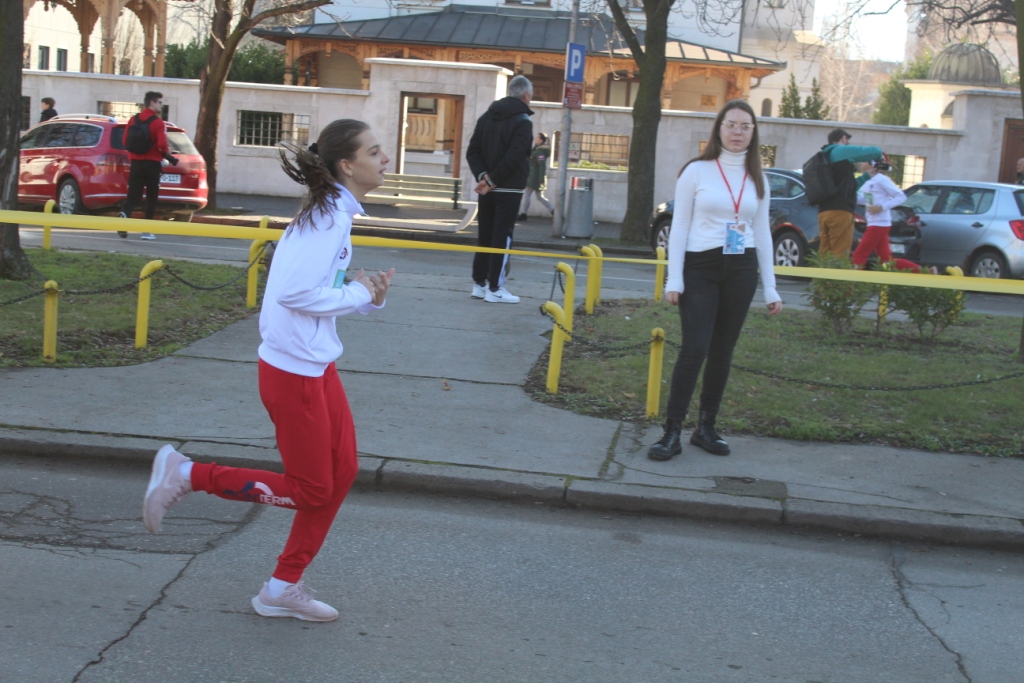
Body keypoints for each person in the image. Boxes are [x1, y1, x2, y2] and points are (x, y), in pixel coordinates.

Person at [141, 118, 396, 622]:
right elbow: (295, 294)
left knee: (342, 472)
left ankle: (282, 587)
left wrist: (366, 298)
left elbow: (315, 293)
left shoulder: (333, 213)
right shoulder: (327, 219)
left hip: (314, 366)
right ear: (348, 165)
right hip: (294, 374)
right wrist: (357, 293)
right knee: (312, 489)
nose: (384, 158)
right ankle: (188, 474)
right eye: (375, 151)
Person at [648, 100, 783, 462]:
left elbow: (762, 232)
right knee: (695, 348)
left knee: (723, 351)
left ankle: (706, 427)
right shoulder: (696, 171)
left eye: (745, 126)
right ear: (719, 128)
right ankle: (671, 431)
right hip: (701, 267)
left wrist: (771, 286)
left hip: (741, 268)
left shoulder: (758, 178)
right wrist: (674, 279)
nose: (738, 132)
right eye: (731, 124)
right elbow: (679, 226)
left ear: (754, 133)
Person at [467, 75, 534, 304]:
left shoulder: (486, 117)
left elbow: (473, 151)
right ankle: (495, 287)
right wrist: (493, 179)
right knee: (502, 237)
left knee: (485, 235)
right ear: (526, 96)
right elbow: (515, 156)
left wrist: (483, 177)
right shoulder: (523, 121)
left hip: (487, 187)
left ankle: (480, 283)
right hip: (509, 188)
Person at [852, 159, 938, 274]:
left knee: (859, 255)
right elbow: (866, 200)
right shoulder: (869, 181)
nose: (861, 164)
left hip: (878, 224)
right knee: (886, 261)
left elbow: (901, 196)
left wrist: (882, 207)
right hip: (876, 223)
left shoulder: (881, 179)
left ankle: (851, 283)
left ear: (873, 165)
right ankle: (926, 271)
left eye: (864, 162)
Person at [815, 128, 883, 257]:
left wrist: (867, 176)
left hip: (824, 212)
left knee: (824, 254)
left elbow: (848, 187)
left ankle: (821, 271)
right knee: (839, 253)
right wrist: (880, 157)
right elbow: (875, 152)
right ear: (844, 139)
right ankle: (836, 271)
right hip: (840, 212)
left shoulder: (825, 157)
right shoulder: (840, 150)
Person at [118, 91, 176, 240]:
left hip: (136, 163)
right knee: (151, 196)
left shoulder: (133, 120)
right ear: (152, 103)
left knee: (133, 195)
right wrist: (166, 151)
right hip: (152, 164)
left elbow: (125, 141)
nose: (162, 106)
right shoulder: (158, 123)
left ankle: (124, 215)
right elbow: (162, 144)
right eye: (160, 103)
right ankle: (146, 231)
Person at [517, 132, 554, 221]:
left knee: (527, 194)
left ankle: (524, 214)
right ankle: (553, 211)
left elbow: (542, 166)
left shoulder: (540, 152)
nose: (535, 139)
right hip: (534, 176)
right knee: (539, 197)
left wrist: (541, 179)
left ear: (541, 140)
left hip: (534, 177)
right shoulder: (537, 149)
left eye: (537, 137)